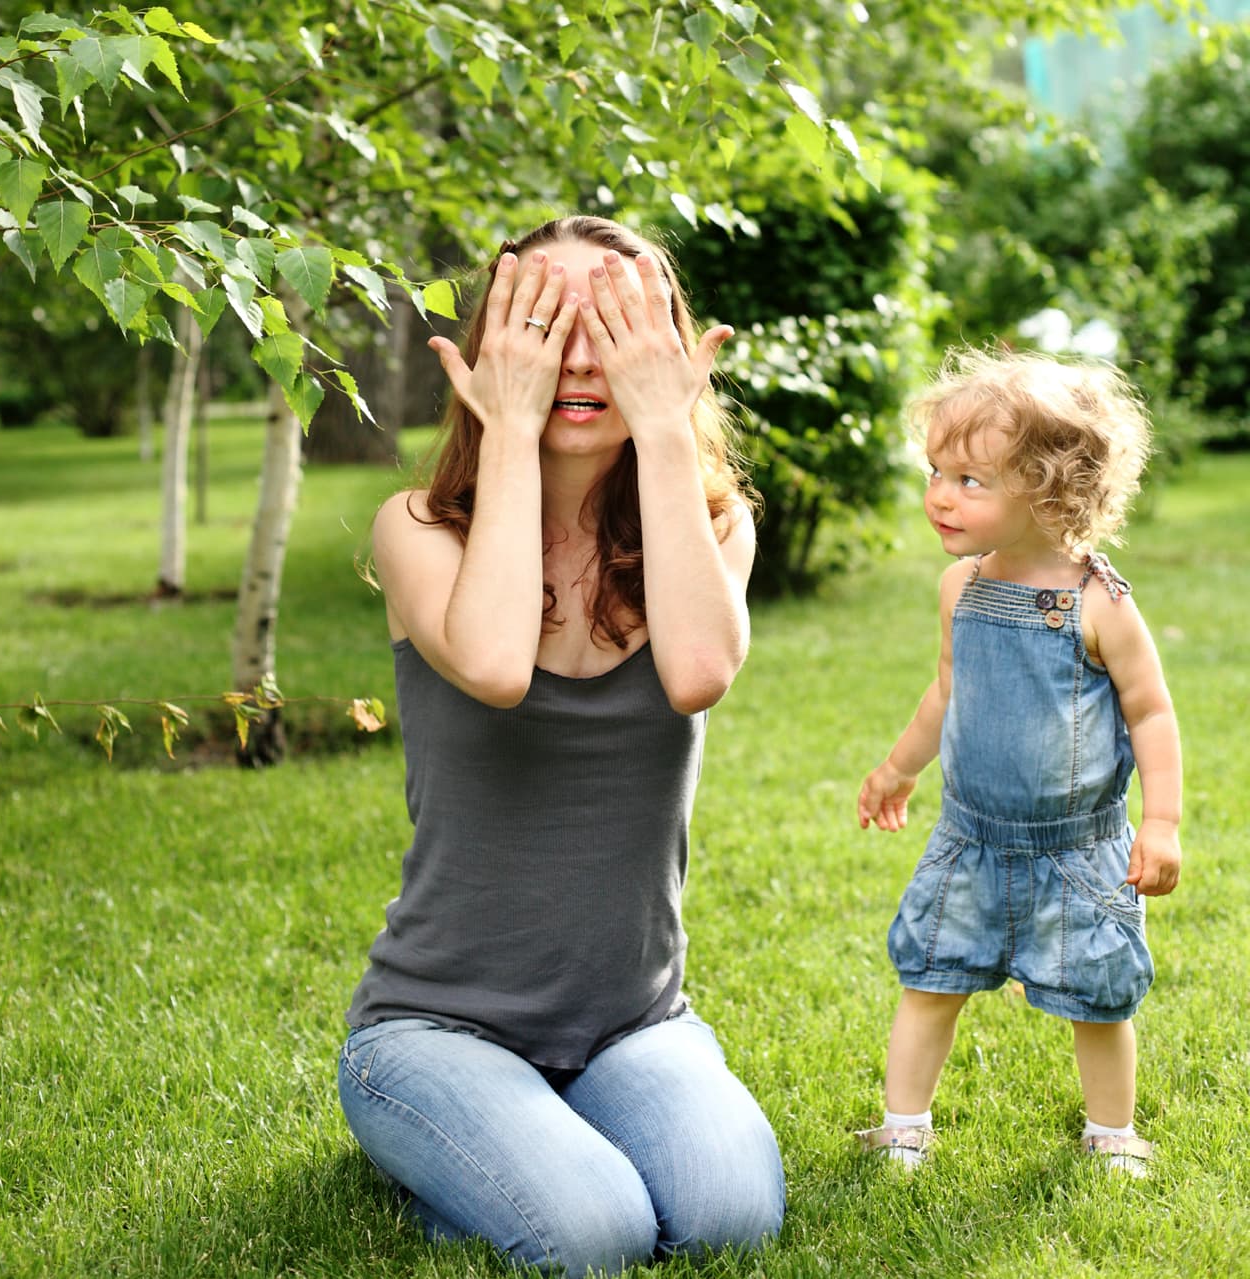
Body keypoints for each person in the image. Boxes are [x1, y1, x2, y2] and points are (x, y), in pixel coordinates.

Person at [337, 215, 784, 1274]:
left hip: (632, 1025)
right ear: (496, 346)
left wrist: (667, 429)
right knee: (598, 1235)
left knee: (728, 1220)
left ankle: (526, 1141)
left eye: (614, 324)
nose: (581, 358)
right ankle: (447, 1147)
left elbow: (696, 673)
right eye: (545, 322)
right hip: (434, 1029)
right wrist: (507, 435)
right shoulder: (417, 529)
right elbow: (494, 663)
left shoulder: (716, 528)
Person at [855, 347, 1182, 1178]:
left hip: (1079, 852)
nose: (939, 495)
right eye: (936, 471)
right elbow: (946, 693)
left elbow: (1150, 711)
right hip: (969, 839)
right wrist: (898, 769)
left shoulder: (1101, 601)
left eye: (971, 480)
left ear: (1049, 489)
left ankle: (1111, 1132)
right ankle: (903, 1124)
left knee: (1099, 996)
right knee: (930, 976)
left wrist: (1163, 820)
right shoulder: (959, 587)